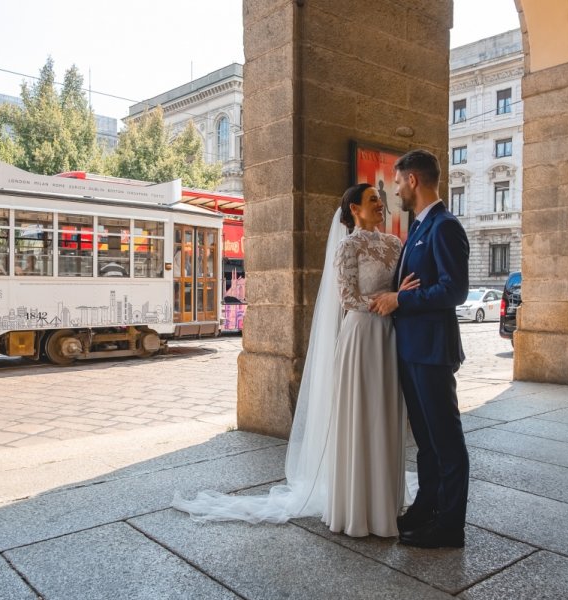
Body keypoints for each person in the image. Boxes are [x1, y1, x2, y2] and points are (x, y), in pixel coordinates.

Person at [172, 184, 418, 537]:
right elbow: (347, 297)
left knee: (386, 413)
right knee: (362, 414)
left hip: (389, 337)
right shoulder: (347, 246)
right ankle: (359, 507)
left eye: (381, 199)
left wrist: (398, 298)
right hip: (362, 335)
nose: (381, 204)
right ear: (354, 210)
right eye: (372, 200)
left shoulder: (396, 244)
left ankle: (386, 503)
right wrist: (386, 300)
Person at [370, 149, 471, 548]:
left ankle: (450, 526)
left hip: (431, 349)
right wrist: (398, 295)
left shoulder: (444, 226)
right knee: (427, 442)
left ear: (413, 180)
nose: (395, 190)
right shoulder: (419, 227)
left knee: (445, 440)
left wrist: (400, 300)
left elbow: (455, 291)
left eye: (397, 182)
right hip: (413, 348)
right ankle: (427, 507)